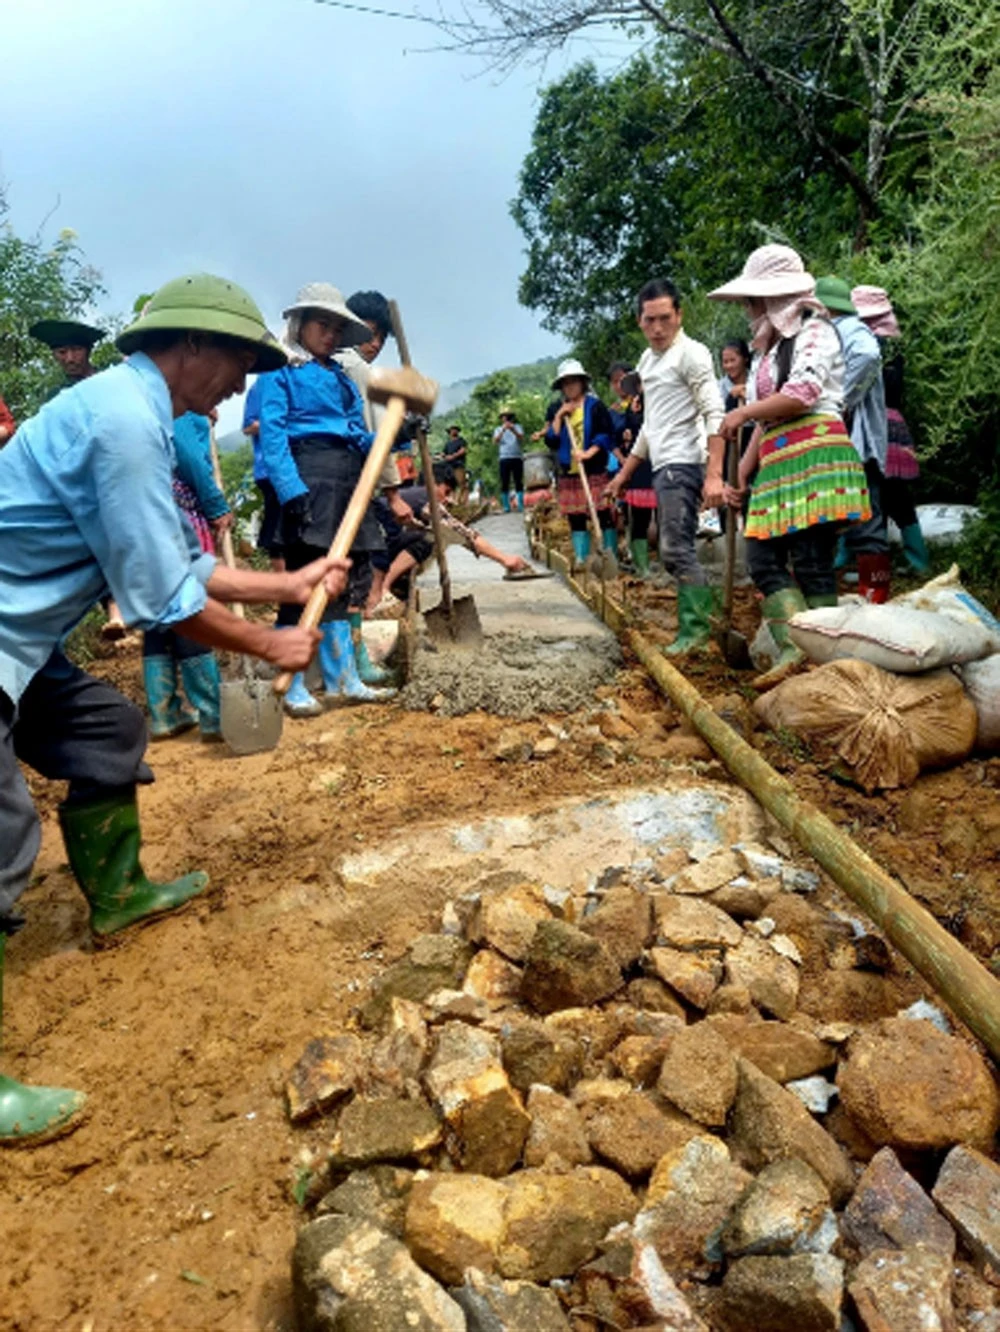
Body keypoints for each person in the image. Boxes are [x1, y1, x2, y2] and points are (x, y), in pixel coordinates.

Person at [0, 273, 350, 1143]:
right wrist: (271, 642)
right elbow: (162, 600)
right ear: (190, 347)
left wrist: (287, 582)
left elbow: (175, 563)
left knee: (105, 729)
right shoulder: (123, 425)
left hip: (20, 646)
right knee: (4, 834)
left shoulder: (142, 414)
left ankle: (118, 895)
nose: (242, 382)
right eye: (239, 361)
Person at [708, 244, 870, 685]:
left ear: (773, 298)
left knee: (812, 559)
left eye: (751, 301)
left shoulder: (815, 333)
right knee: (762, 558)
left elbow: (802, 394)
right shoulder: (764, 352)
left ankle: (817, 656)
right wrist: (741, 472)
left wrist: (742, 412)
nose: (747, 309)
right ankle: (797, 648)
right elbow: (767, 418)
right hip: (778, 458)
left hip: (814, 449)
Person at [257, 282, 394, 715]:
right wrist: (291, 490)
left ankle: (344, 678)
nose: (331, 336)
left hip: (344, 481)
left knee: (337, 583)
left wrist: (394, 435)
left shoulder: (341, 381)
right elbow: (274, 436)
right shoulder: (280, 373)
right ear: (300, 325)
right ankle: (294, 683)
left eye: (337, 328)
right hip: (304, 477)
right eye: (323, 325)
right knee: (299, 585)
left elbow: (357, 436)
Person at [606, 279, 726, 653]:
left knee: (675, 549)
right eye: (649, 320)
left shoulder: (693, 354)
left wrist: (715, 474)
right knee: (674, 547)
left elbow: (714, 413)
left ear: (679, 315)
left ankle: (698, 633)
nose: (658, 328)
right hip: (662, 464)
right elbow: (649, 428)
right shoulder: (647, 361)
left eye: (664, 319)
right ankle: (708, 618)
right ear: (640, 322)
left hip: (685, 461)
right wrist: (623, 476)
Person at [336, 289, 415, 686]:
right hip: (352, 486)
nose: (375, 343)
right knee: (356, 574)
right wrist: (394, 495)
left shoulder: (321, 363)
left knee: (331, 575)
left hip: (322, 485)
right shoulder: (356, 370)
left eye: (382, 337)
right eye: (369, 333)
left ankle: (336, 665)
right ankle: (351, 667)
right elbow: (373, 438)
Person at [142, 410, 231, 742]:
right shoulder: (178, 402)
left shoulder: (144, 397)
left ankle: (164, 715)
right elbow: (191, 457)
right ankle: (213, 714)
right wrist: (216, 504)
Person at [815, 276, 892, 602]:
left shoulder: (848, 328)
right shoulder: (835, 330)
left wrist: (842, 400)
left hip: (856, 446)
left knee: (867, 521)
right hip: (840, 446)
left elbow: (868, 356)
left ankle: (875, 602)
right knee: (834, 519)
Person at [851, 284, 929, 573]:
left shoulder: (871, 346)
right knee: (891, 495)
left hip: (877, 426)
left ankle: (876, 562)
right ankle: (914, 560)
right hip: (894, 424)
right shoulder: (893, 344)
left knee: (878, 494)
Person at [379, 469, 532, 599]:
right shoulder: (426, 500)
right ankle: (384, 586)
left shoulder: (412, 496)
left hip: (377, 544)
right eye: (446, 492)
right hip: (374, 547)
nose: (448, 499)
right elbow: (462, 534)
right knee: (432, 539)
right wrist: (505, 559)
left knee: (431, 536)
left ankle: (395, 585)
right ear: (433, 484)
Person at [545, 358, 616, 566]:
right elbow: (552, 440)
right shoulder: (556, 408)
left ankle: (609, 555)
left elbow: (605, 434)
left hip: (593, 469)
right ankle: (581, 557)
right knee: (576, 517)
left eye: (574, 382)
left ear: (582, 383)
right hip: (569, 472)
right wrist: (558, 417)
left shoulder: (595, 407)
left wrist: (588, 453)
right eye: (566, 383)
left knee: (603, 512)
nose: (570, 387)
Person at [607, 362, 653, 575]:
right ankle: (642, 566)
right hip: (639, 469)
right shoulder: (625, 412)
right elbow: (615, 439)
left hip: (662, 464)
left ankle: (666, 563)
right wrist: (624, 459)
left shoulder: (658, 402)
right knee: (639, 519)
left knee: (666, 518)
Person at [243, 378, 285, 573]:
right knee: (276, 530)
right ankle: (286, 587)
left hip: (300, 467)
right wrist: (276, 423)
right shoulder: (259, 387)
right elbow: (248, 426)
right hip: (269, 470)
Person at [29, 318, 106, 397]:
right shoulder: (57, 397)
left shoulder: (108, 383)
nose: (70, 359)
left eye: (76, 350)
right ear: (54, 355)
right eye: (62, 352)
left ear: (88, 351)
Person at [493, 410, 524, 512]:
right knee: (504, 481)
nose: (505, 418)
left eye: (507, 416)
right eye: (503, 417)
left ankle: (520, 504)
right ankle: (506, 506)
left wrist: (513, 429)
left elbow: (521, 438)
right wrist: (503, 430)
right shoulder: (498, 429)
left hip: (517, 457)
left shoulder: (518, 426)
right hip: (504, 458)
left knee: (518, 481)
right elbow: (495, 441)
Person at [442, 425, 469, 499]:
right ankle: (452, 501)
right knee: (450, 485)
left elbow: (463, 450)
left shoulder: (461, 441)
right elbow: (444, 453)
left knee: (462, 483)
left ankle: (463, 502)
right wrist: (443, 456)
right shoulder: (448, 443)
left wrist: (453, 456)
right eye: (452, 430)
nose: (453, 431)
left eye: (455, 430)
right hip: (449, 467)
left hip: (458, 465)